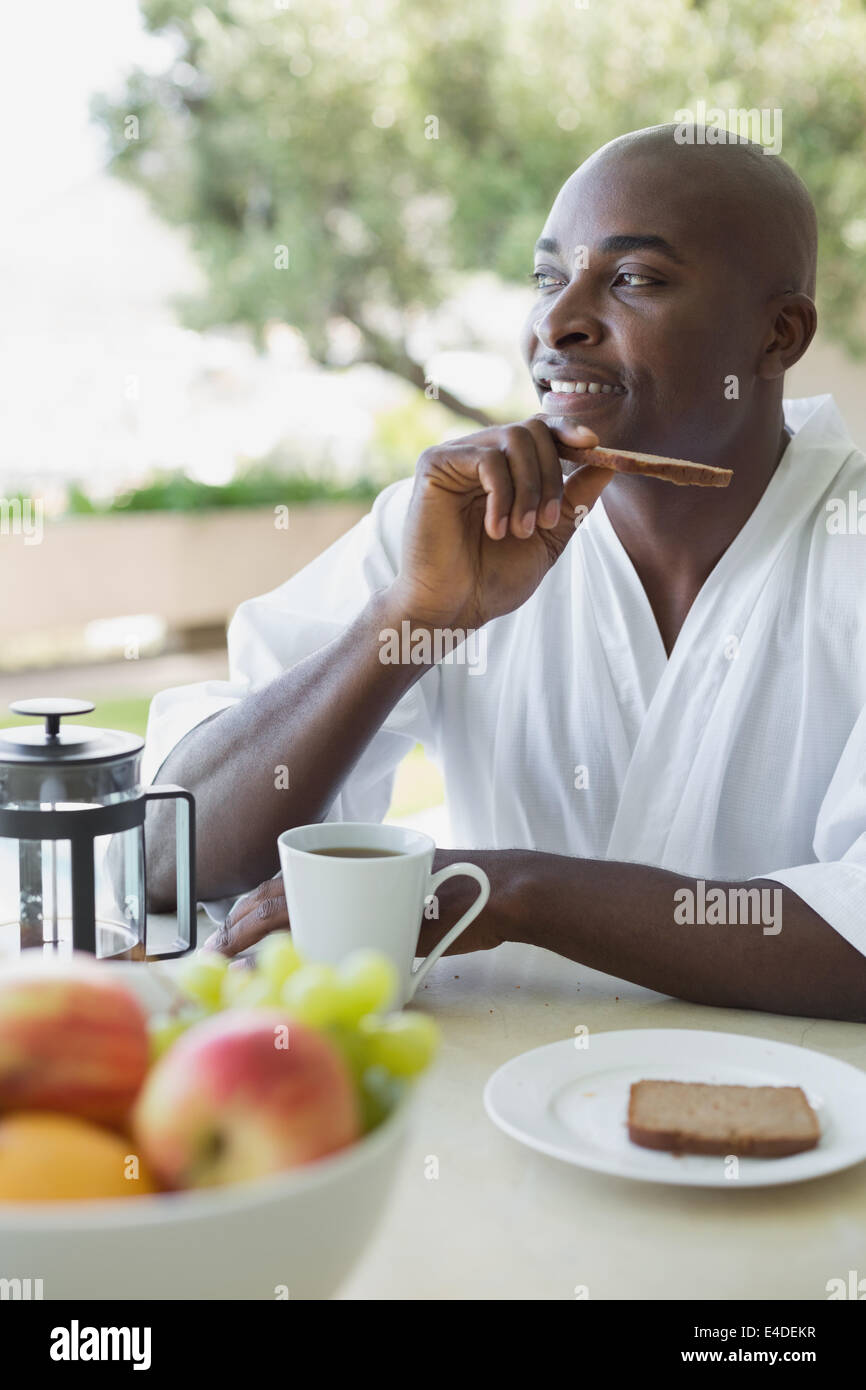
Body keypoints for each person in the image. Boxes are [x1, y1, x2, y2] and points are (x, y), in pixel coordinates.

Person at [143, 125, 866, 1021]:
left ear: (779, 334)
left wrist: (514, 892)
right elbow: (175, 854)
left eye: (634, 279)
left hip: (807, 1140)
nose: (557, 321)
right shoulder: (444, 531)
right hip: (487, 1129)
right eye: (547, 276)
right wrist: (411, 618)